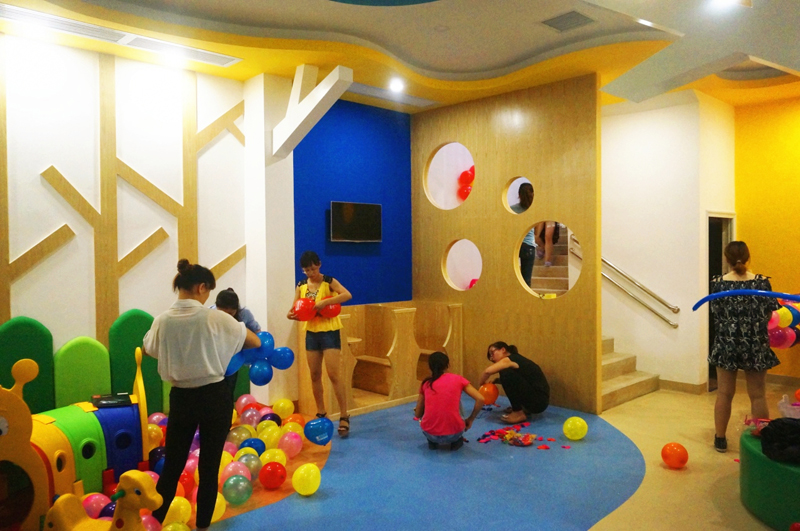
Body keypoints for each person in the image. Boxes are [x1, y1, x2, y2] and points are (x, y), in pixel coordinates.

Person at [142, 259, 261, 531]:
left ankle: (153, 523)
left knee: (172, 467)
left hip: (181, 398)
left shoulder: (162, 321)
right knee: (209, 468)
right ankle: (203, 527)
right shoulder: (215, 318)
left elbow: (148, 349)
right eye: (208, 292)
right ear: (201, 287)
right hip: (215, 397)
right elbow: (254, 340)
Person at [709, 241, 780, 453]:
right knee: (758, 394)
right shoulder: (761, 283)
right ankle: (763, 438)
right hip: (755, 343)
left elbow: (716, 313)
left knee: (724, 393)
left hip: (727, 343)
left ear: (726, 259)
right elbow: (770, 313)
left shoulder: (718, 284)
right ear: (748, 258)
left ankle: (720, 438)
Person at [287, 250, 353, 437]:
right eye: (307, 270)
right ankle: (321, 412)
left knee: (334, 374)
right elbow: (295, 308)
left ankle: (344, 415)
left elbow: (347, 295)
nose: (310, 273)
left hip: (329, 331)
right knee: (314, 374)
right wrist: (291, 315)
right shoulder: (301, 285)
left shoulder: (328, 281)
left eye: (313, 269)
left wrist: (326, 302)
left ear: (319, 265)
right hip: (311, 333)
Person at [414, 351, 484, 450]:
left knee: (427, 405)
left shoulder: (426, 383)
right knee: (457, 402)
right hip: (454, 434)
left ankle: (433, 442)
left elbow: (417, 414)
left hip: (430, 434)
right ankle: (456, 441)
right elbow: (481, 399)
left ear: (430, 367)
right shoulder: (458, 379)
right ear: (447, 365)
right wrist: (470, 419)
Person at [479, 342, 549, 424]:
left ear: (503, 350)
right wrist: (498, 380)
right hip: (537, 401)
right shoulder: (516, 359)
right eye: (490, 356)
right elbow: (521, 380)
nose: (491, 358)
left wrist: (482, 384)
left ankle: (518, 412)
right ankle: (522, 408)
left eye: (492, 353)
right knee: (505, 374)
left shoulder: (510, 359)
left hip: (539, 402)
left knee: (505, 372)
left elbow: (487, 372)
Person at [512, 182, 537, 287]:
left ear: (519, 195)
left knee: (512, 279)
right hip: (528, 246)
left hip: (515, 245)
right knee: (526, 281)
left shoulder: (512, 209)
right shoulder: (534, 210)